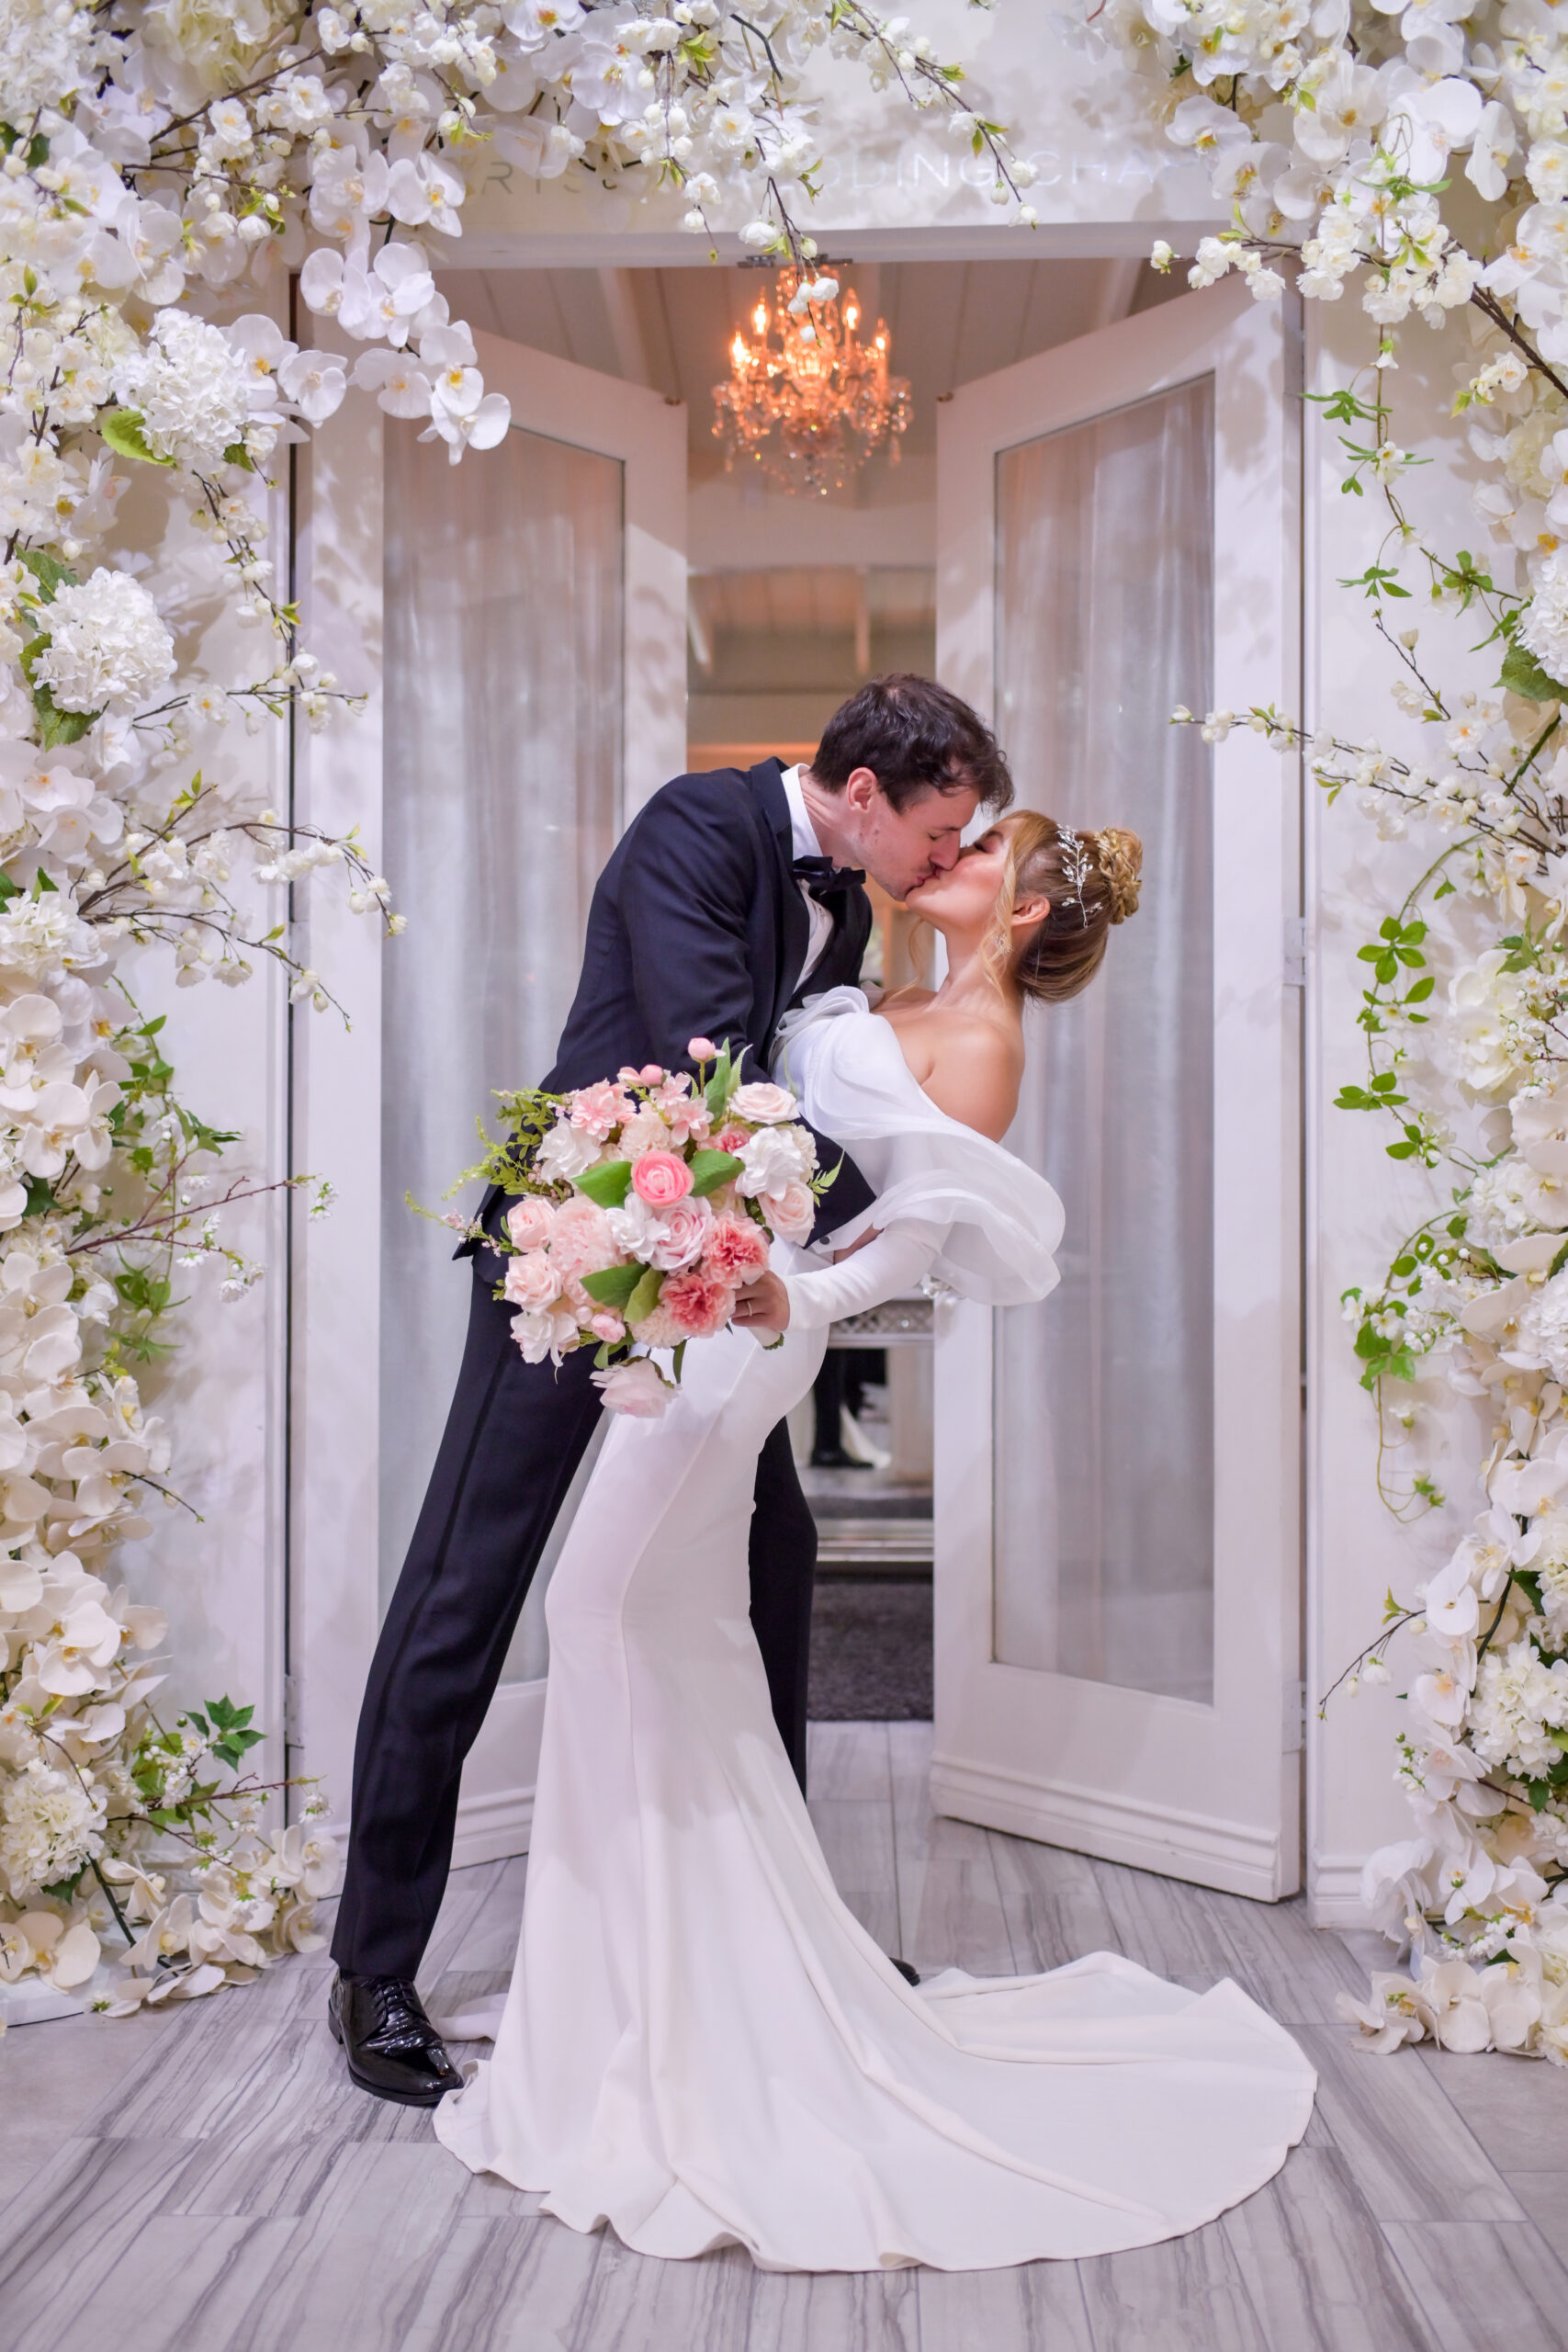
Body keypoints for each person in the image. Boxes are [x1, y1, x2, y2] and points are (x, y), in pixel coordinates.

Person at [431, 815, 1317, 2270]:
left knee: (601, 1615)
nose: (944, 854)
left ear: (1018, 913)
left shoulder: (980, 1042)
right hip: (720, 1308)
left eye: (980, 849)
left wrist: (809, 1299)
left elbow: (923, 1224)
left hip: (759, 1328)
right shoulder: (888, 993)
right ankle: (640, 1988)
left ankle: (668, 2002)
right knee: (668, 1635)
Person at [328, 674, 1014, 2105]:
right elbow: (720, 1077)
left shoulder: (846, 902)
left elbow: (807, 1086)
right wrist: (899, 1206)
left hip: (712, 1283)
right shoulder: (698, 827)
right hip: (575, 1253)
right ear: (866, 795)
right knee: (470, 1586)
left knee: (774, 1559)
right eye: (938, 833)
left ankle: (783, 1941)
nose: (945, 859)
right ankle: (373, 1968)